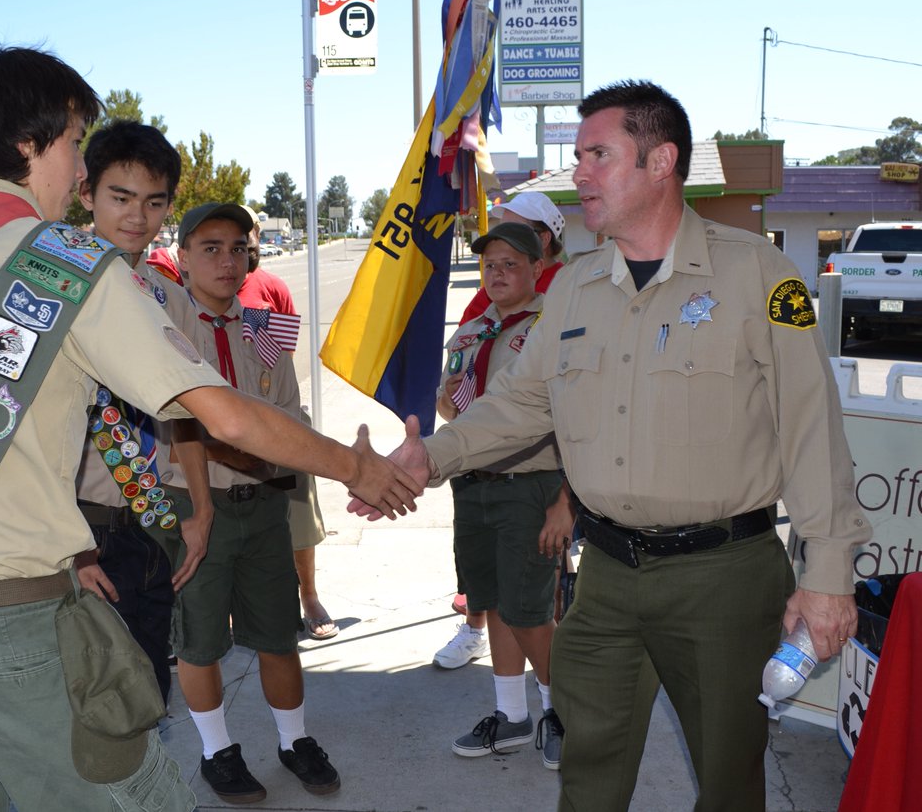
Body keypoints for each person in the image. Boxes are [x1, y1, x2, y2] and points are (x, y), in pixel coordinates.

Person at [0, 45, 418, 812]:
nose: (79, 169)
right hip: (18, 628)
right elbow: (223, 412)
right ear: (29, 143)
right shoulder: (65, 264)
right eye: (74, 144)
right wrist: (358, 468)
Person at [358, 79, 870, 812]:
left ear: (661, 162)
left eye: (598, 155)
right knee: (588, 773)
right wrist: (431, 456)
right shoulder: (574, 288)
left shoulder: (758, 274)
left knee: (729, 779)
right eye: (578, 157)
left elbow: (813, 428)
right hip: (605, 576)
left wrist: (828, 575)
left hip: (722, 577)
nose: (579, 174)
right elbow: (522, 403)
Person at [164, 202, 340, 805]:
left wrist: (278, 458)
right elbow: (179, 427)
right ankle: (217, 751)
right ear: (183, 257)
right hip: (196, 505)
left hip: (263, 505)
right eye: (210, 248)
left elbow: (288, 415)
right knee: (200, 640)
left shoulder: (266, 329)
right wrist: (254, 449)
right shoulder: (165, 332)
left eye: (238, 248)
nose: (227, 261)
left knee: (277, 632)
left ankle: (294, 740)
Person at [71, 119, 212, 704]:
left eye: (154, 202)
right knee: (92, 699)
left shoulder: (169, 298)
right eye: (120, 197)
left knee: (150, 689)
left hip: (154, 521)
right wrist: (72, 546)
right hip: (81, 526)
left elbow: (188, 412)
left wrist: (202, 509)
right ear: (87, 194)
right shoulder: (58, 283)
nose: (137, 216)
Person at [437, 222, 569, 769]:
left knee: (529, 610)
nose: (497, 273)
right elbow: (450, 402)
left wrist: (565, 502)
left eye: (510, 264)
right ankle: (512, 714)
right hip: (474, 485)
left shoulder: (555, 326)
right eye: (489, 265)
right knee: (491, 600)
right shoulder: (472, 330)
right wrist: (448, 403)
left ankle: (564, 713)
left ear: (538, 267)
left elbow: (578, 420)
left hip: (529, 486)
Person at [236, 219, 338, 641]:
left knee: (297, 514)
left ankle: (309, 596)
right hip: (225, 427)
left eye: (244, 236)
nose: (234, 251)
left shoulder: (270, 287)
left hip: (279, 417)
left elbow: (282, 359)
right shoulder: (190, 297)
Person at [459, 190, 567, 325]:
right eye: (503, 230)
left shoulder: (569, 285)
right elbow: (465, 332)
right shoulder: (494, 288)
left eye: (517, 232)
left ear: (544, 239)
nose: (505, 239)